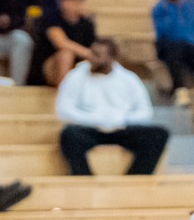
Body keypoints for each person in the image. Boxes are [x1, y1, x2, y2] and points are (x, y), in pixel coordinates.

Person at [57, 39, 169, 176]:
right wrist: (94, 119)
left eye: (98, 55)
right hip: (89, 129)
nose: (92, 58)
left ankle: (134, 179)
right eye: (92, 53)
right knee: (69, 135)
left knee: (159, 134)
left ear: (112, 57)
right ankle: (84, 178)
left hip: (122, 128)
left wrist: (122, 119)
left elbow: (145, 111)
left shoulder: (129, 79)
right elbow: (64, 109)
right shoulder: (76, 76)